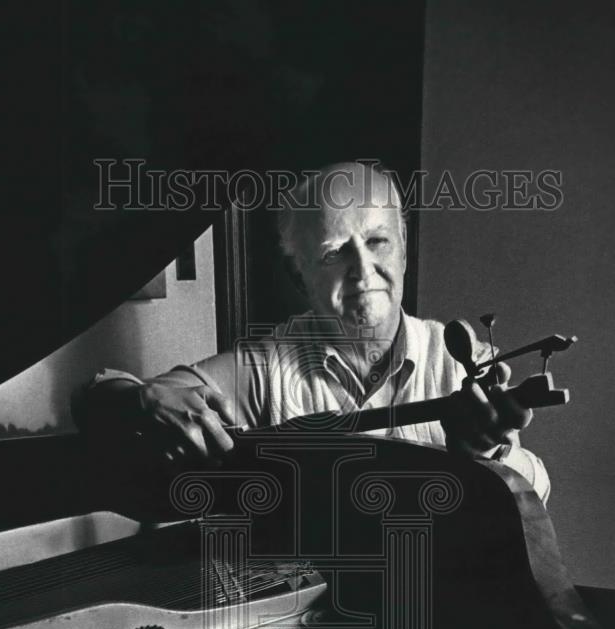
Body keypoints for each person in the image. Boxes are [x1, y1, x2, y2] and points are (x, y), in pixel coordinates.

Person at [75, 162, 550, 502]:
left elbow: (535, 493)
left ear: (404, 253)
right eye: (334, 252)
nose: (363, 270)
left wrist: (486, 455)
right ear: (300, 275)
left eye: (378, 242)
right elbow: (95, 399)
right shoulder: (265, 366)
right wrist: (145, 397)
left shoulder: (457, 362)